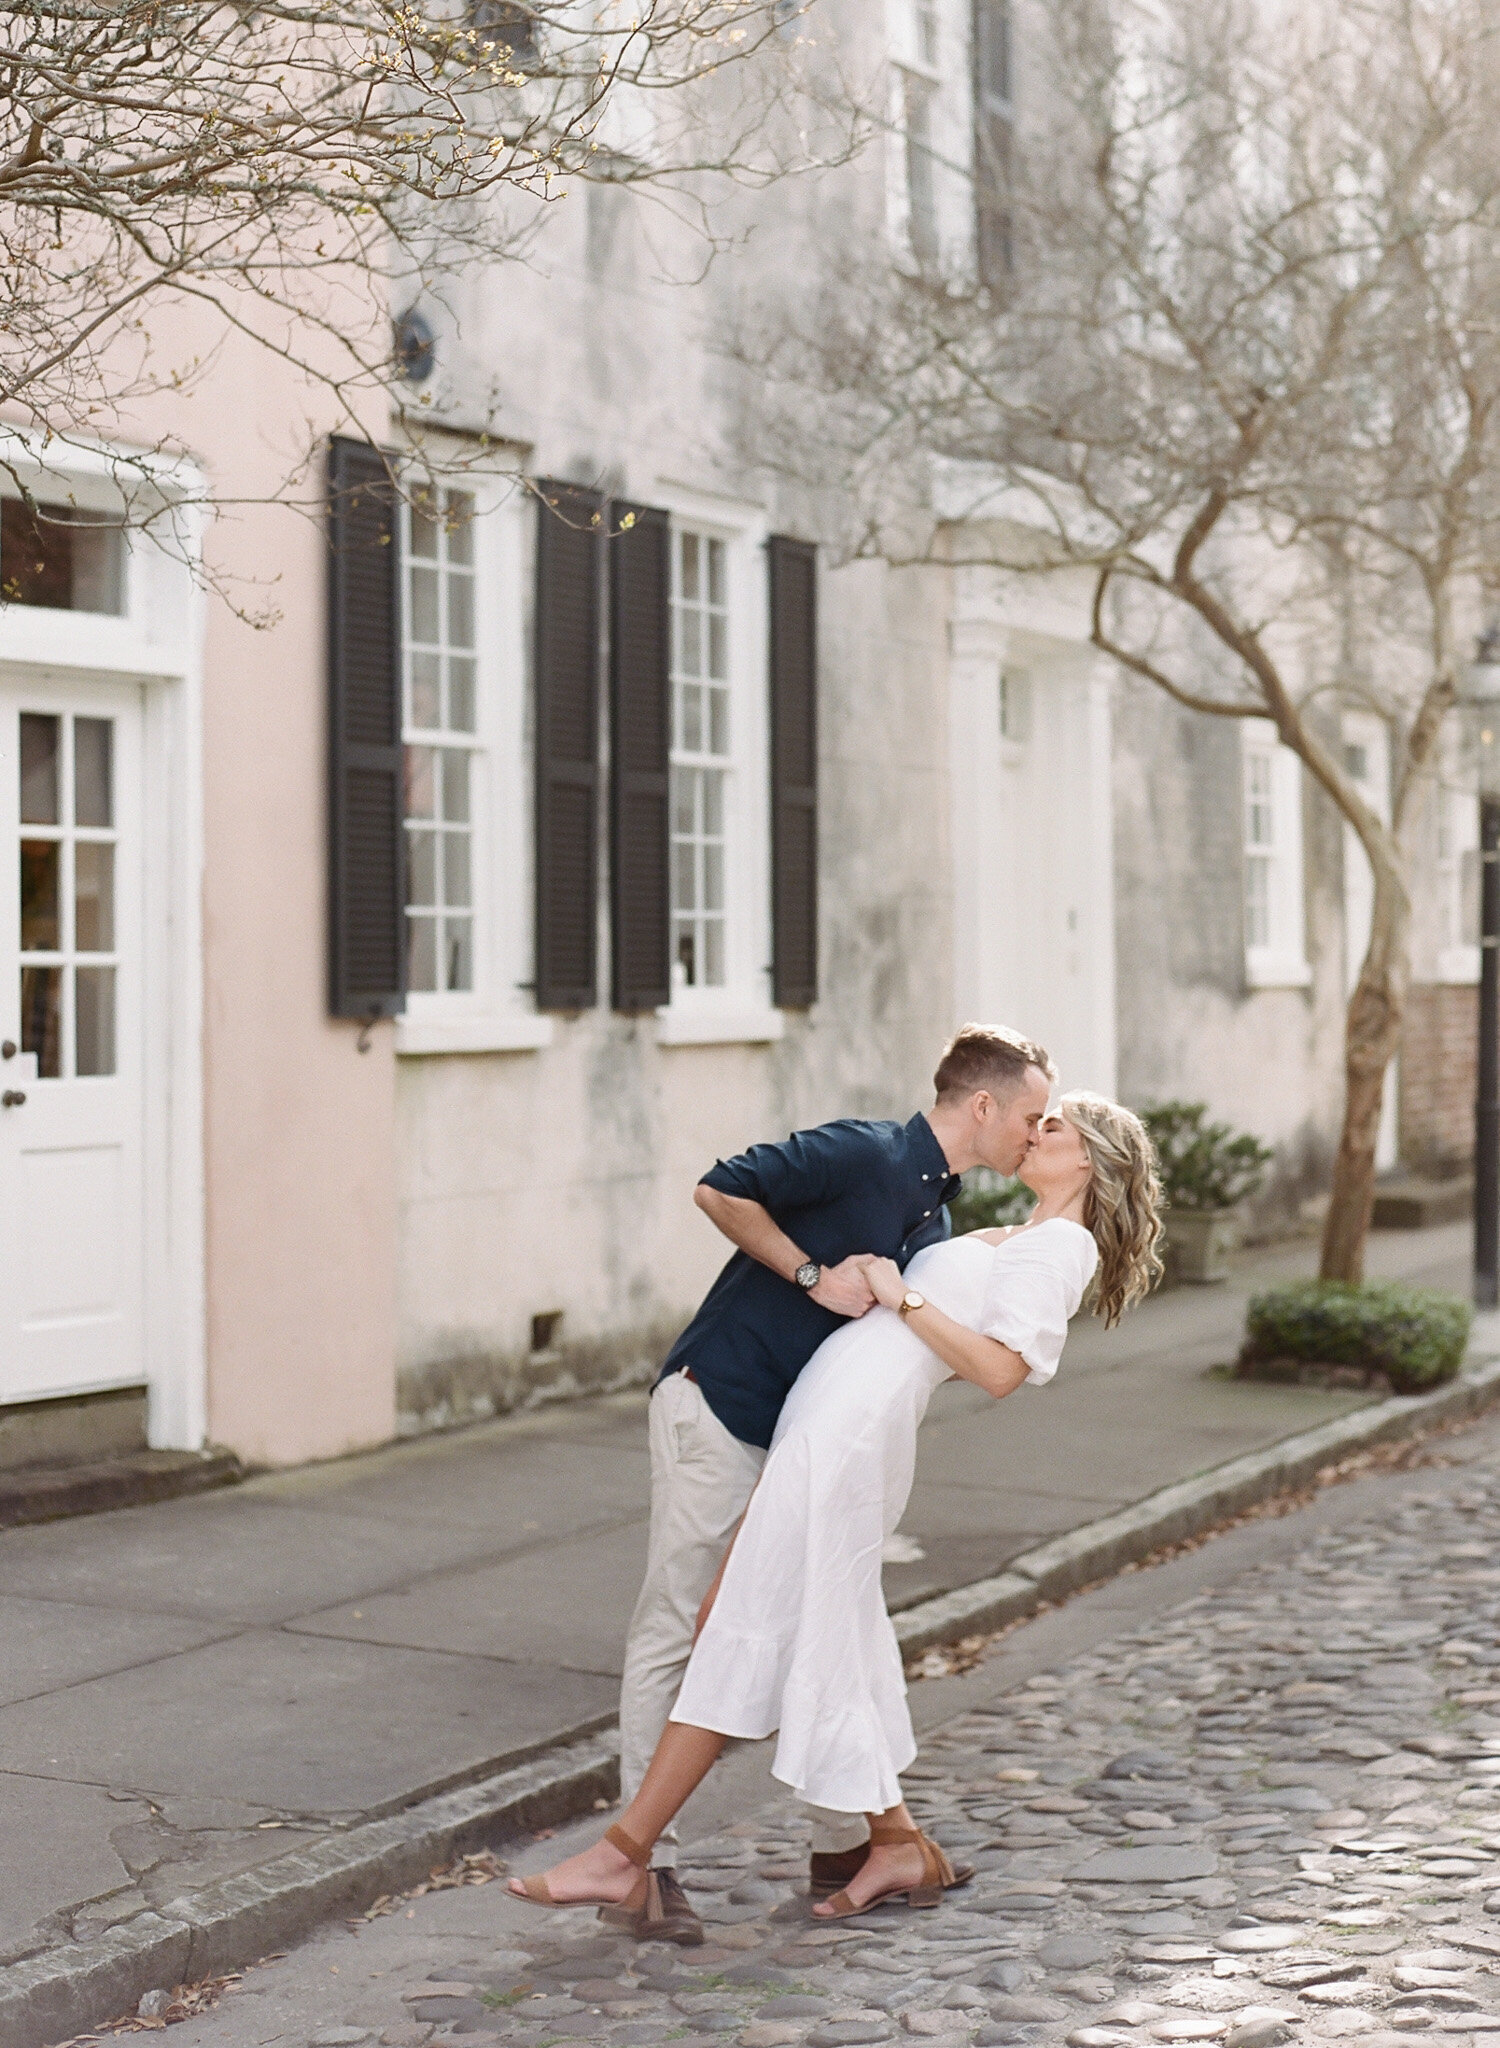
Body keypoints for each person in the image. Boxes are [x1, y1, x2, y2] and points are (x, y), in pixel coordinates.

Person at [511, 1092, 1163, 1927]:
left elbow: (1002, 1371)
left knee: (742, 1621)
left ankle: (623, 1856)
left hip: (849, 1433)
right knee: (816, 1631)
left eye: (1056, 1127)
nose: (1038, 1133)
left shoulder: (1063, 1245)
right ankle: (893, 1842)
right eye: (1037, 1119)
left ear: (1090, 1163)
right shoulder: (1012, 1235)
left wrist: (903, 1299)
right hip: (819, 1420)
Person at [613, 1025, 1056, 1941]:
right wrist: (810, 1273)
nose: (1034, 1131)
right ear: (982, 1105)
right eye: (1029, 1115)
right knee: (680, 1620)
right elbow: (717, 1187)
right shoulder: (862, 1150)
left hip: (800, 1439)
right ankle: (638, 1870)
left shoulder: (935, 1213)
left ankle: (846, 1844)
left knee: (812, 1618)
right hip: (722, 1405)